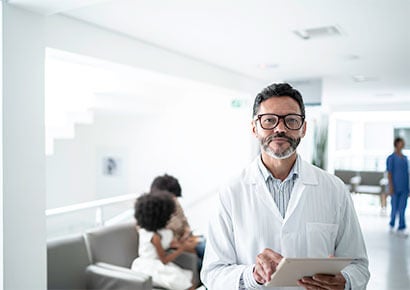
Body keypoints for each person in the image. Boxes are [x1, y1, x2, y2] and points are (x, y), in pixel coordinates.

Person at [200, 83, 370, 290]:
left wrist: (345, 281)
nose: (280, 128)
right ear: (255, 128)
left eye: (291, 120)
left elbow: (359, 265)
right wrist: (254, 276)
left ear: (303, 128)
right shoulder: (232, 191)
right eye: (269, 120)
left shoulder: (334, 189)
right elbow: (213, 273)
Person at [131, 192, 195, 290]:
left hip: (148, 264)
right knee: (186, 284)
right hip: (152, 267)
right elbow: (164, 260)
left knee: (185, 281)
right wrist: (181, 249)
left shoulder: (144, 230)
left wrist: (176, 244)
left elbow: (165, 244)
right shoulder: (155, 237)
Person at [151, 174, 206, 271]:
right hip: (175, 246)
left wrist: (186, 233)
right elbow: (164, 240)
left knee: (213, 250)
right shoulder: (153, 213)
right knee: (207, 255)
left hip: (187, 240)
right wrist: (182, 243)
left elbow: (185, 222)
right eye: (172, 197)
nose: (174, 200)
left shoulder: (175, 203)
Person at [387, 137, 409, 238]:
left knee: (402, 208)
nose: (402, 144)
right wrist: (391, 186)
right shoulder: (391, 158)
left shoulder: (405, 158)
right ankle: (392, 224)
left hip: (404, 187)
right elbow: (389, 173)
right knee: (394, 207)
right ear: (396, 144)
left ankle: (401, 227)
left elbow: (407, 173)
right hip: (395, 186)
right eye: (401, 143)